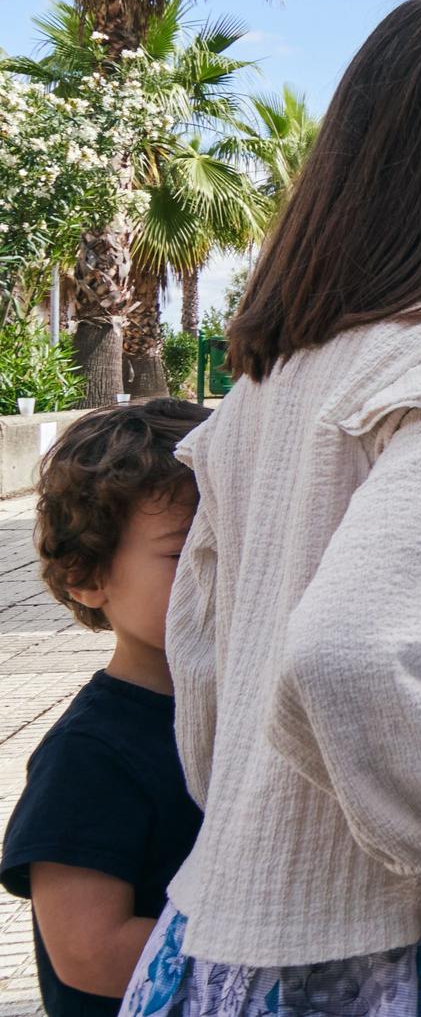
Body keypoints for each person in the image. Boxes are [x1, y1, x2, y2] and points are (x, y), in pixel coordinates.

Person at [118, 0, 421, 1016]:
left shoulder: (263, 389)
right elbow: (349, 653)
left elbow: (199, 665)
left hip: (219, 938)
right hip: (387, 947)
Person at [0, 401, 207, 1015]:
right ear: (87, 575)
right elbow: (90, 952)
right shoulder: (89, 754)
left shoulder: (254, 712)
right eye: (182, 554)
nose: (220, 569)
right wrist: (283, 953)